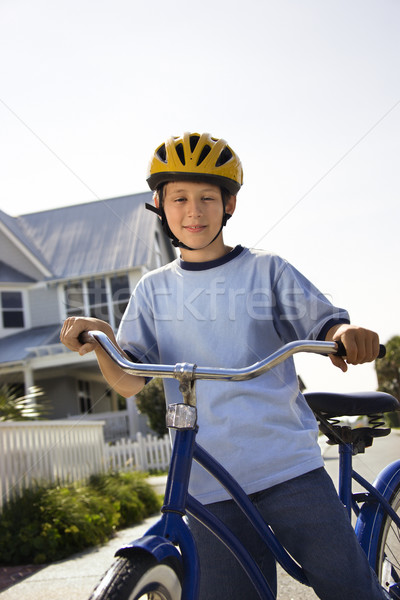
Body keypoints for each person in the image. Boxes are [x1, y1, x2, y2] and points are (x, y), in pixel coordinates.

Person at [61, 132, 387, 599]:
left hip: (285, 467)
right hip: (208, 482)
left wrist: (342, 336)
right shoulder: (152, 290)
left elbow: (323, 324)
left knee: (349, 588)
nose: (193, 211)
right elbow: (130, 379)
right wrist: (102, 341)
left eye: (207, 198)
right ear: (160, 204)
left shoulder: (266, 270)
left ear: (229, 204)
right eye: (180, 198)